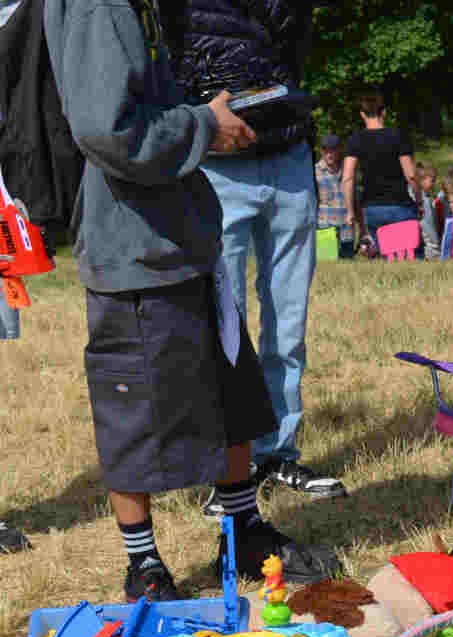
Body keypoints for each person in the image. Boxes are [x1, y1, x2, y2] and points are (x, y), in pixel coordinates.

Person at [46, 0, 339, 601]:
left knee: (234, 391)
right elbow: (108, 129)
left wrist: (217, 116)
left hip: (185, 231)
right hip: (137, 247)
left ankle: (241, 532)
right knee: (134, 409)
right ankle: (144, 565)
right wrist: (205, 126)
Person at [178, 0, 347, 503]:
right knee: (222, 325)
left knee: (288, 325)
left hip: (288, 152)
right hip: (219, 160)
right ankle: (227, 469)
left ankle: (278, 454)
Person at [345, 92, 418, 256]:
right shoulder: (398, 136)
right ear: (383, 112)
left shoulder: (355, 139)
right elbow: (411, 175)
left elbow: (348, 178)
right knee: (402, 261)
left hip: (370, 210)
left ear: (362, 114)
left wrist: (350, 211)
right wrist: (419, 201)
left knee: (381, 262)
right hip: (399, 206)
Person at [314, 134, 354, 258]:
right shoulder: (314, 171)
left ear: (339, 150)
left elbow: (355, 200)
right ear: (321, 151)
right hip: (324, 228)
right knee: (328, 267)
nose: (329, 154)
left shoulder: (348, 170)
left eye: (333, 149)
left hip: (346, 229)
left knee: (348, 268)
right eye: (326, 150)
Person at [413, 161, 444, 260]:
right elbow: (429, 228)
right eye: (432, 180)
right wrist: (435, 250)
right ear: (422, 180)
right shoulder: (425, 201)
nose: (434, 184)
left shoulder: (412, 197)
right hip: (429, 251)